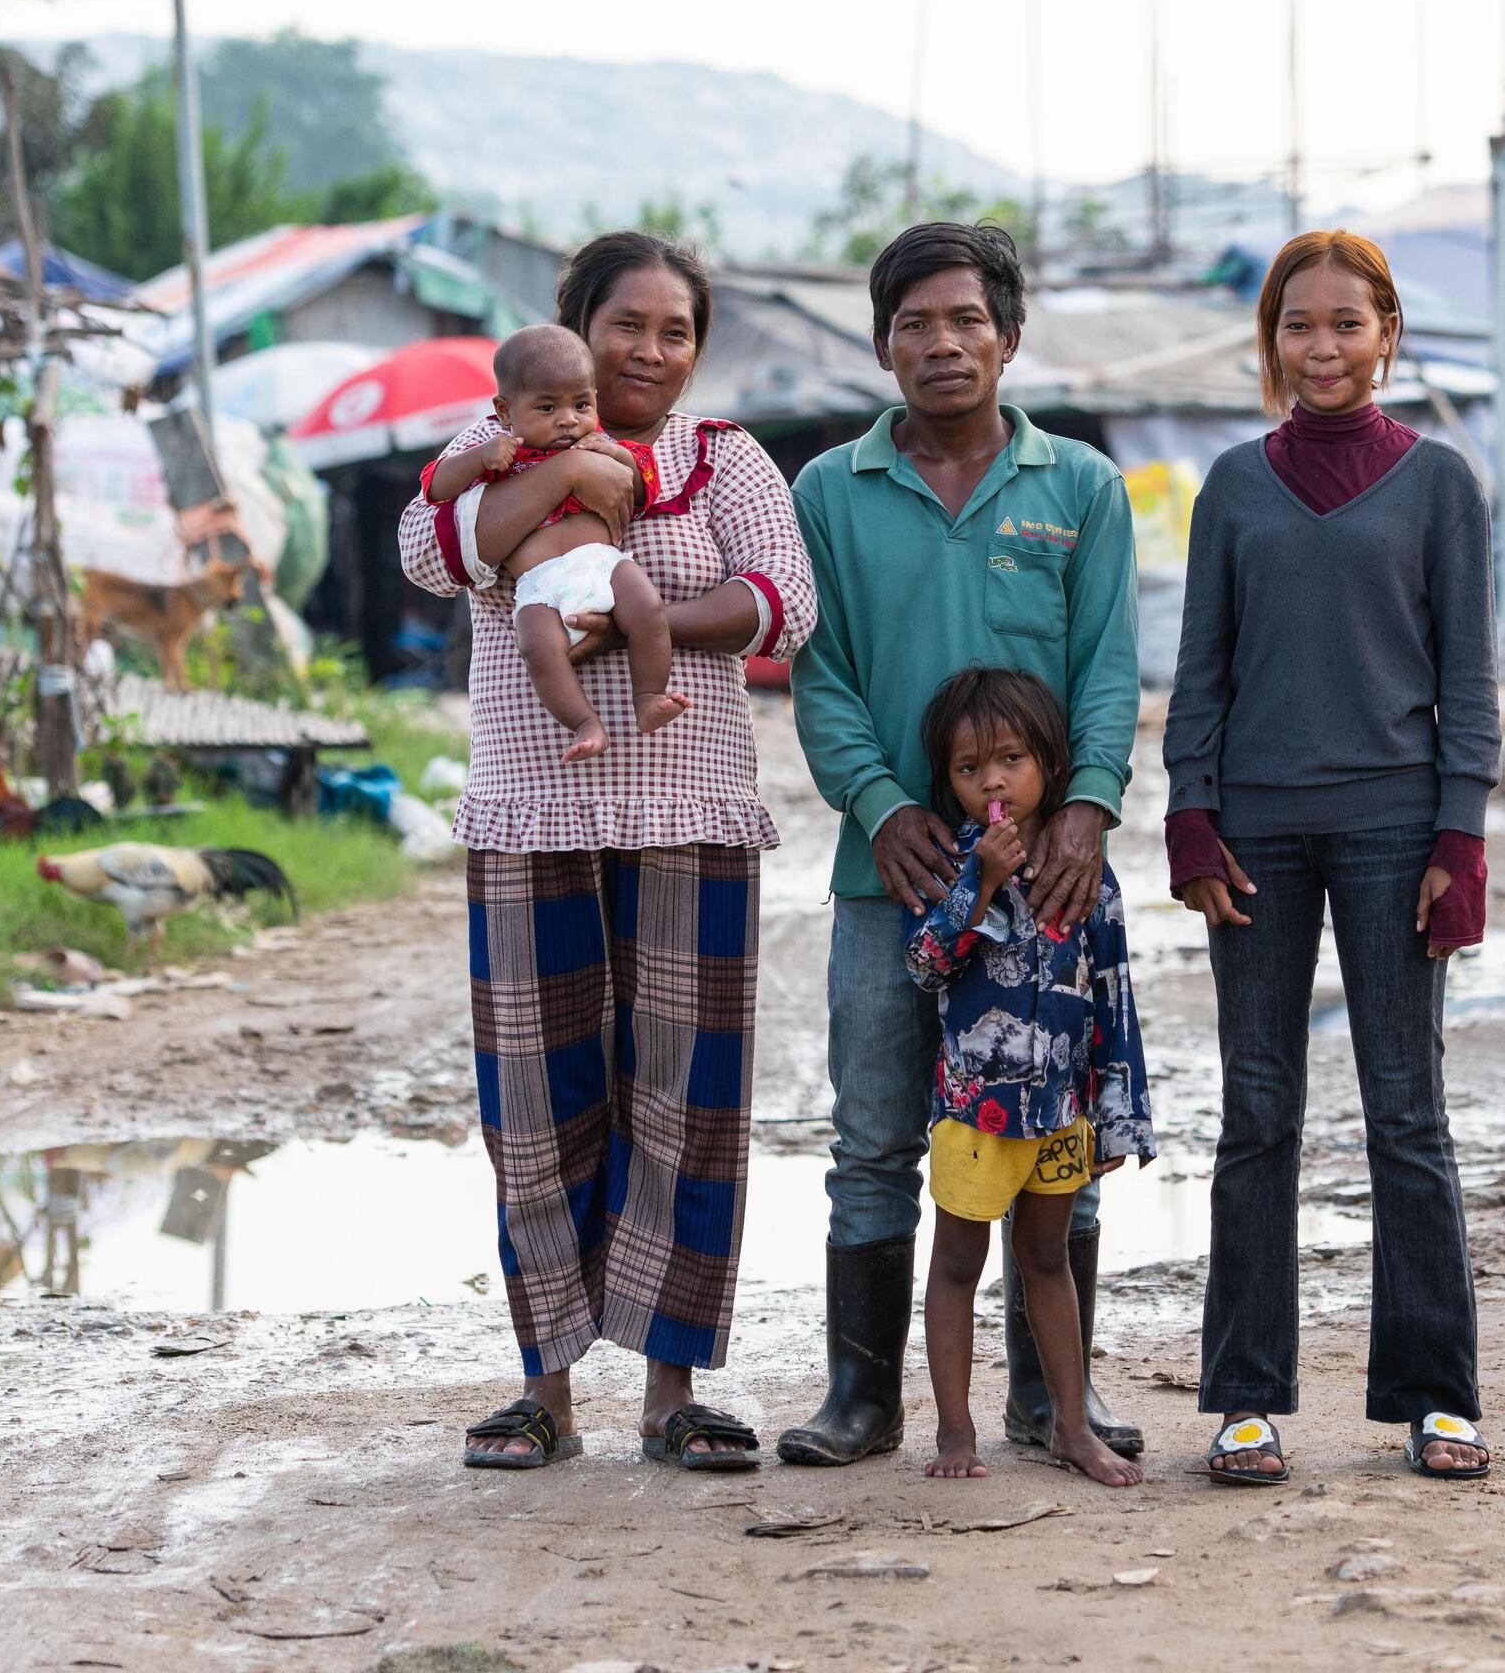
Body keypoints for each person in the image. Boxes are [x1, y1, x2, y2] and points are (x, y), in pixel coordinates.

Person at [398, 231, 818, 1473]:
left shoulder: (725, 459)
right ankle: (547, 1392)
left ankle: (671, 1392)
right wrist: (563, 462)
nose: (649, 351)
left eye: (675, 331)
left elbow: (783, 600)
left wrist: (612, 635)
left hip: (691, 804)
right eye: (625, 325)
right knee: (536, 1097)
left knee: (686, 1099)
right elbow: (442, 555)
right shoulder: (491, 446)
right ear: (573, 326)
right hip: (533, 807)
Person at [781, 220, 1143, 1469]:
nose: (942, 343)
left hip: (1050, 891)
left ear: (1010, 335)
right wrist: (883, 808)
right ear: (882, 346)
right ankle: (863, 1400)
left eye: (966, 320)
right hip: (893, 878)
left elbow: (1107, 669)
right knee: (875, 1134)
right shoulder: (828, 492)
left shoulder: (1080, 487)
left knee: (1058, 1145)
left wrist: (1085, 808)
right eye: (915, 323)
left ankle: (1054, 1400)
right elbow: (819, 678)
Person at [1162, 229, 1500, 1488]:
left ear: (1388, 333)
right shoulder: (1235, 486)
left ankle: (1436, 1396)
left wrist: (1459, 835)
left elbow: (1468, 678)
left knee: (1407, 1114)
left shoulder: (1440, 486)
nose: (1322, 348)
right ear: (1272, 342)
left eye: (1345, 323)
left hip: (1394, 829)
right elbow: (1200, 668)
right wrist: (1189, 811)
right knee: (1259, 1112)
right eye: (1298, 325)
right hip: (1253, 835)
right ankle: (1247, 1398)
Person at [904, 667, 1153, 1488]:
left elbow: (1115, 996)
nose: (992, 782)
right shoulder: (953, 864)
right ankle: (955, 1433)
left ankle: (1070, 1427)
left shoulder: (1086, 873)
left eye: (1010, 759)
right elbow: (927, 965)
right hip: (976, 1112)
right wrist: (980, 886)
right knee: (955, 1266)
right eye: (970, 769)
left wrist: (1119, 1113)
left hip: (1060, 1110)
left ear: (1049, 761)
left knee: (1047, 1261)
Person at [421, 322, 685, 761]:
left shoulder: (601, 446)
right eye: (546, 408)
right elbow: (434, 486)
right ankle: (585, 723)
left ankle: (649, 697)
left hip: (604, 563)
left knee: (649, 609)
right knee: (538, 649)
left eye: (581, 404)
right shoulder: (503, 455)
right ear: (505, 411)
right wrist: (480, 459)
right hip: (539, 584)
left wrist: (617, 456)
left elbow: (644, 483)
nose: (568, 419)